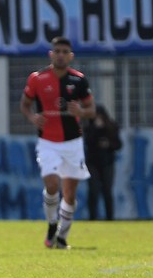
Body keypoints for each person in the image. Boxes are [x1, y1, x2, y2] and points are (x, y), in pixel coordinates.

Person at [18, 36, 96, 249]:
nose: (61, 55)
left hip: (72, 143)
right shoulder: (37, 79)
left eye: (65, 52)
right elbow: (25, 105)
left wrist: (80, 111)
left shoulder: (79, 80)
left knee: (70, 194)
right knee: (52, 184)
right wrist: (33, 117)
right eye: (57, 51)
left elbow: (92, 110)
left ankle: (61, 237)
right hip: (48, 142)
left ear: (70, 56)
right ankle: (52, 223)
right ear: (51, 54)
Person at [83, 105, 122, 220]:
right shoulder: (89, 128)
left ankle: (110, 218)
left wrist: (108, 144)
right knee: (93, 191)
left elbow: (118, 144)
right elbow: (88, 142)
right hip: (92, 163)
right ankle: (92, 217)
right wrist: (96, 129)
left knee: (107, 191)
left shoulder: (112, 127)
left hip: (107, 163)